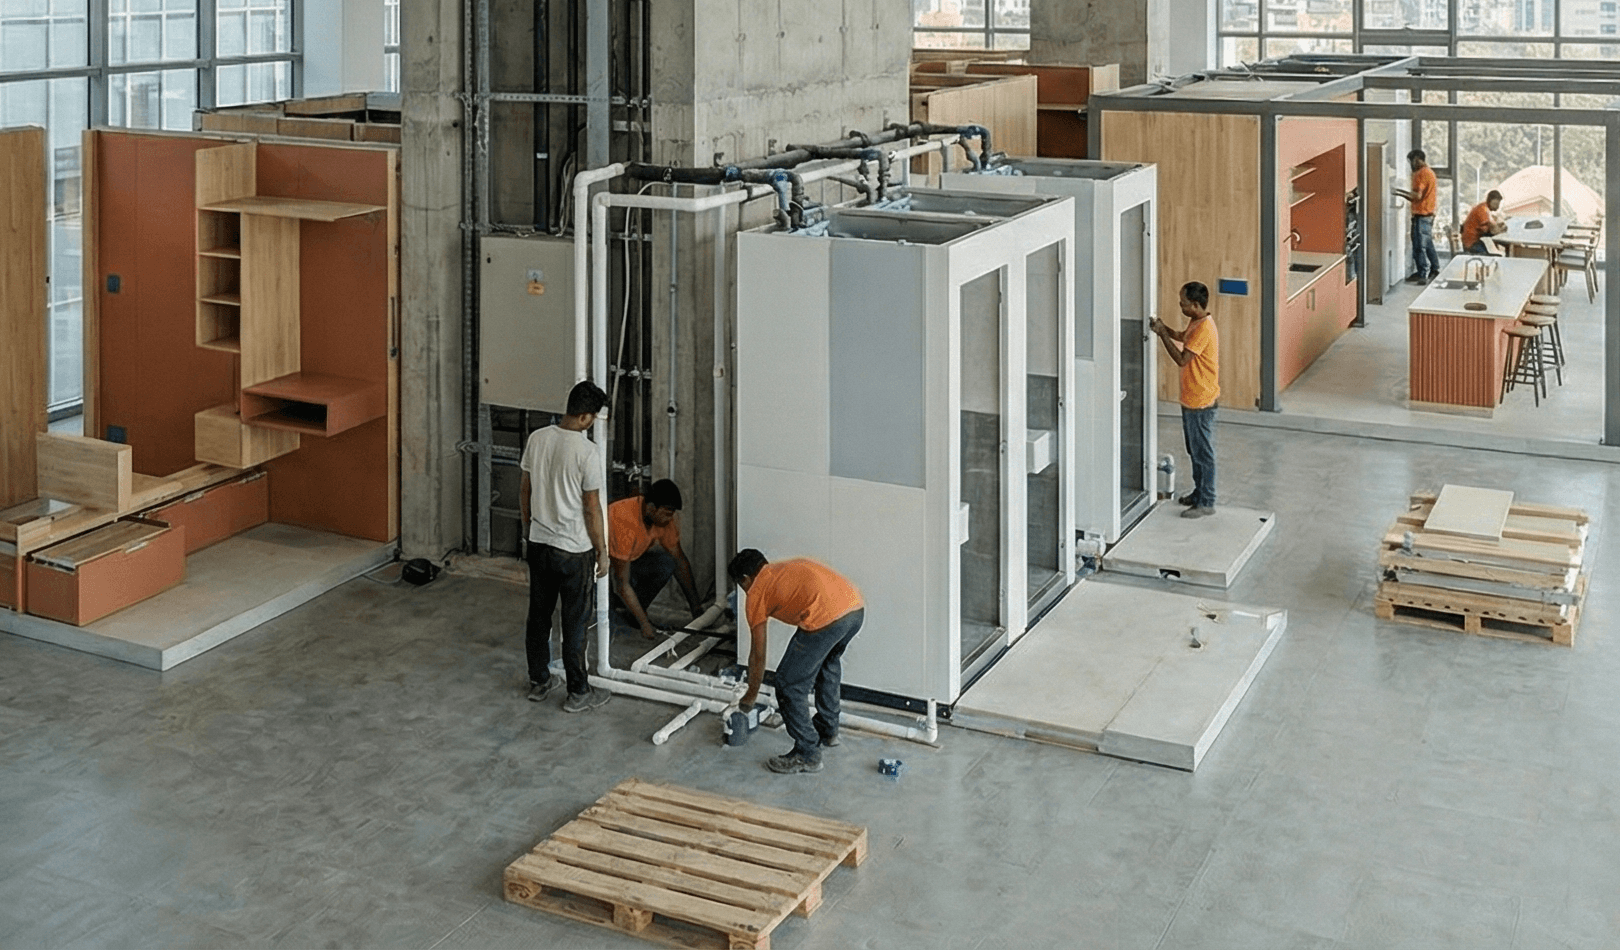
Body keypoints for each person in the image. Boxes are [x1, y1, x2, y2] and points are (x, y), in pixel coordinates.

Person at [518, 381, 613, 713]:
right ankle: (578, 692)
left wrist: (528, 528)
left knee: (538, 616)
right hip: (574, 550)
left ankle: (539, 681)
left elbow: (525, 489)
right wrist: (602, 550)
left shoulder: (537, 438)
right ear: (586, 417)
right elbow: (592, 507)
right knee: (575, 622)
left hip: (539, 543)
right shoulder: (587, 452)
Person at [728, 549, 864, 775]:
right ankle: (828, 731)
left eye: (741, 585)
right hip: (855, 609)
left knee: (788, 684)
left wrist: (750, 697)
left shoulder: (756, 592)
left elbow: (758, 655)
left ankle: (807, 753)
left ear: (745, 579)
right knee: (827, 664)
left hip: (826, 617)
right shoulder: (780, 570)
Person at [1150, 281, 1219, 519]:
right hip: (1192, 400)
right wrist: (1165, 329)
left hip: (1201, 402)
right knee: (1194, 451)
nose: (1181, 307)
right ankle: (1199, 494)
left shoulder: (1204, 329)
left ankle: (1207, 501)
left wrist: (1162, 335)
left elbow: (1182, 359)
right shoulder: (1196, 322)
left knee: (1203, 454)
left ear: (1196, 305)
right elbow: (1182, 337)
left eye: (1184, 304)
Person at [609, 478, 704, 640]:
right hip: (597, 565)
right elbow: (622, 584)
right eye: (667, 513)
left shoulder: (664, 520)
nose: (670, 519)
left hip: (628, 560)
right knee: (610, 621)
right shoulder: (624, 520)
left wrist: (697, 610)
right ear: (651, 507)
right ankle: (623, 611)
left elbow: (680, 562)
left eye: (672, 514)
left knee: (666, 563)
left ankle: (632, 612)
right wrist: (645, 624)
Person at [1394, 149, 1440, 283]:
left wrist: (1398, 192)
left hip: (1421, 215)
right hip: (1429, 214)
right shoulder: (1430, 172)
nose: (1411, 165)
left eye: (1411, 161)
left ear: (1416, 159)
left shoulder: (1421, 174)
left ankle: (1422, 273)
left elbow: (1417, 196)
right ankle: (1435, 269)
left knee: (1419, 246)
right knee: (1428, 244)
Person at [1461, 189, 1507, 255]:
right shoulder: (1483, 209)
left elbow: (1490, 226)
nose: (1498, 207)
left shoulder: (1484, 208)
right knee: (1488, 257)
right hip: (1471, 243)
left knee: (1492, 253)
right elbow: (1490, 230)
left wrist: (1498, 227)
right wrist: (1500, 229)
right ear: (1491, 201)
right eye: (1496, 204)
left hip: (1472, 241)